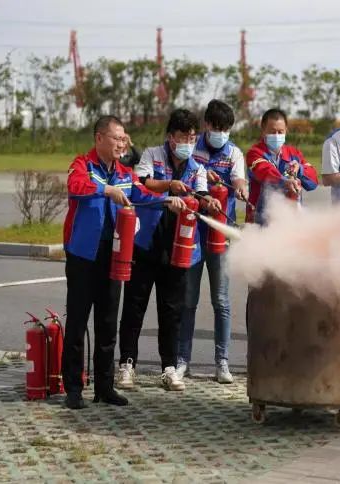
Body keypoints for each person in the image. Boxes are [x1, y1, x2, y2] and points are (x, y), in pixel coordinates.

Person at [62, 115, 184, 410]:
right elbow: (76, 186)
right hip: (83, 255)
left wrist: (166, 199)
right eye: (116, 138)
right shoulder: (82, 165)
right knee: (77, 321)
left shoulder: (124, 173)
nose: (122, 144)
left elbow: (142, 193)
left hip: (114, 255)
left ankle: (104, 387)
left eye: (124, 139)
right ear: (99, 138)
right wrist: (106, 190)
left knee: (107, 322)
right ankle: (73, 389)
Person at [116, 108, 222, 392]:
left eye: (192, 137)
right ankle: (127, 364)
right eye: (182, 136)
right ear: (171, 137)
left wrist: (209, 202)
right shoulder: (152, 156)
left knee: (172, 310)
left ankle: (169, 367)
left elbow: (199, 195)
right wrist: (168, 190)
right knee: (134, 306)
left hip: (178, 250)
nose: (188, 142)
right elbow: (139, 185)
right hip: (146, 245)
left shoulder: (197, 167)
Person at [175, 100, 248, 384]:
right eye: (216, 127)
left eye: (226, 129)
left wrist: (239, 188)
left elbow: (239, 181)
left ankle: (222, 362)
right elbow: (182, 176)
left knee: (221, 301)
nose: (221, 133)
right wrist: (204, 175)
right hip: (193, 234)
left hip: (220, 237)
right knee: (188, 300)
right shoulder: (193, 148)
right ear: (206, 125)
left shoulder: (234, 153)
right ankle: (182, 361)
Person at [246, 108, 318, 225]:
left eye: (280, 132)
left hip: (290, 222)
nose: (276, 135)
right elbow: (264, 171)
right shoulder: (254, 153)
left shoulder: (294, 153)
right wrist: (284, 181)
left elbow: (313, 182)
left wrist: (299, 169)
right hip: (260, 221)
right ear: (263, 131)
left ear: (286, 131)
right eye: (272, 132)